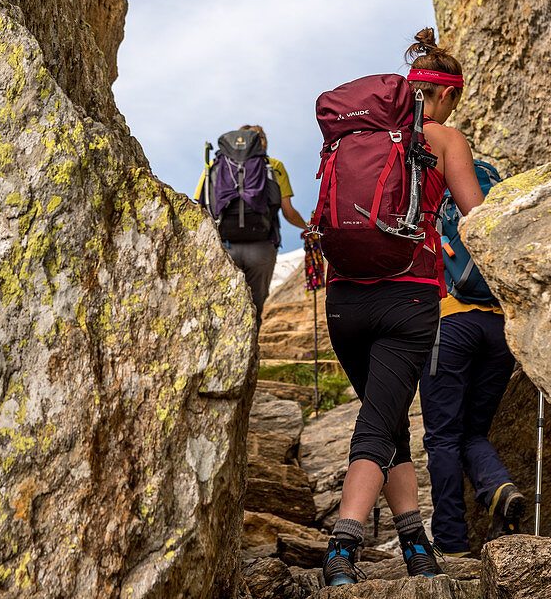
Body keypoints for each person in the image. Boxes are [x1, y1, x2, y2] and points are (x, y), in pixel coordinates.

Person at [320, 29, 485, 586]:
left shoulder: (352, 136)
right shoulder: (445, 139)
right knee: (376, 426)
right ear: (443, 96)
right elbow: (477, 218)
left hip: (344, 297)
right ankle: (343, 545)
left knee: (388, 421)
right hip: (408, 295)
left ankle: (415, 542)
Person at [418, 187, 526, 557]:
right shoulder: (498, 203)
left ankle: (451, 543)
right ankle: (499, 488)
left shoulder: (432, 203)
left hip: (449, 323)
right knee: (473, 431)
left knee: (442, 436)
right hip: (499, 330)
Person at [194, 125, 306, 323]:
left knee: (222, 307)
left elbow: (201, 209)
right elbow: (288, 212)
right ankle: (250, 352)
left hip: (224, 247)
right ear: (261, 143)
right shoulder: (274, 165)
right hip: (261, 248)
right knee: (255, 309)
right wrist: (309, 227)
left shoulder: (215, 165)